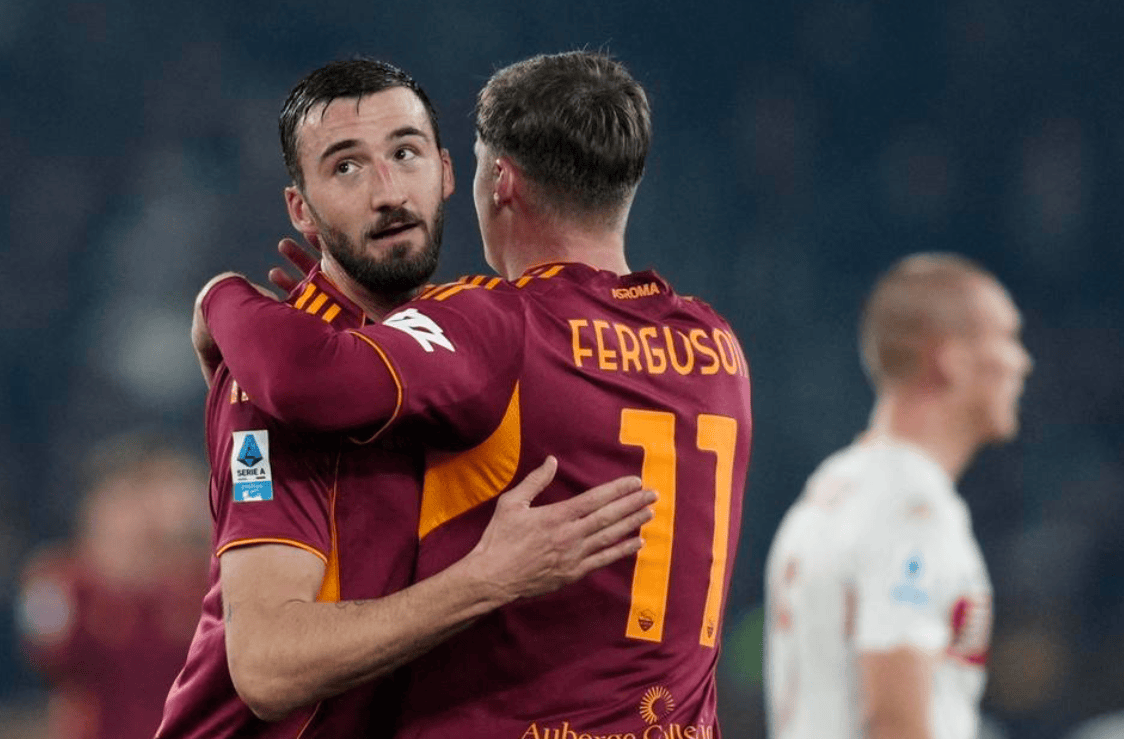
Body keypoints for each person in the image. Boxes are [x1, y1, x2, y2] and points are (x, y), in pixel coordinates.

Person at [193, 50, 753, 738]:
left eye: (406, 153)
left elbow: (311, 374)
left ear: (482, 177)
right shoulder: (717, 343)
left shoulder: (490, 329)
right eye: (347, 167)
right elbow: (267, 666)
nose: (388, 192)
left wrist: (221, 297)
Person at [763, 253, 1032, 739]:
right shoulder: (911, 509)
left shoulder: (830, 488)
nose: (1022, 362)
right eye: (1007, 337)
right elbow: (893, 720)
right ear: (951, 359)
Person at [17, 434, 209, 739]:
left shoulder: (193, 581)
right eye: (117, 502)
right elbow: (45, 650)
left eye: (137, 502)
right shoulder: (61, 582)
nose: (130, 519)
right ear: (92, 511)